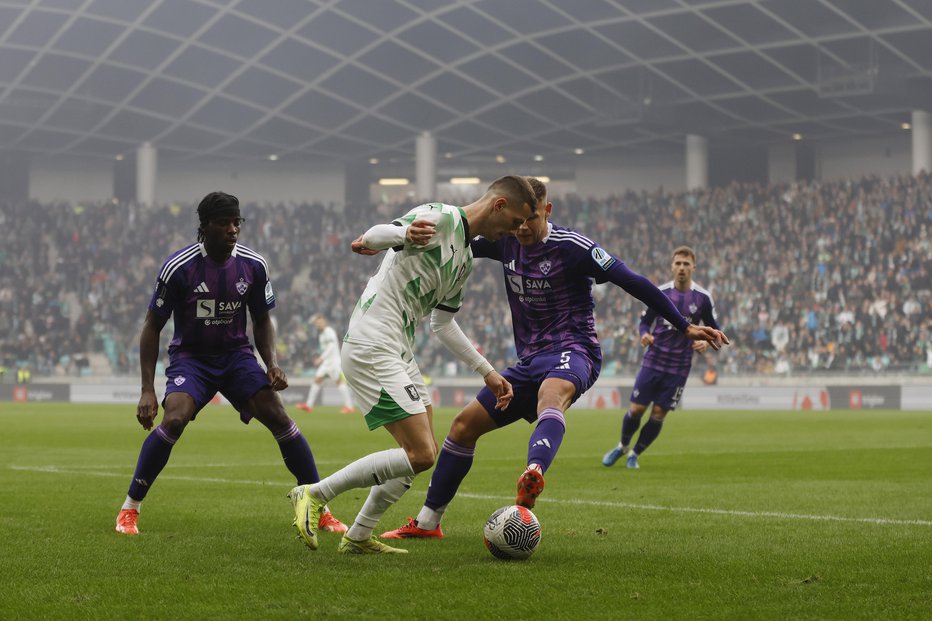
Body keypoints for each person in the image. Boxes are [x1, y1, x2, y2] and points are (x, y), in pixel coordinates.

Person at [380, 178, 728, 540]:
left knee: (551, 395)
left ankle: (533, 473)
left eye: (531, 219)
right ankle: (427, 523)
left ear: (547, 211)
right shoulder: (509, 240)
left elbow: (633, 280)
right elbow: (462, 232)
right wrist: (407, 232)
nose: (523, 228)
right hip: (529, 361)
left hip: (574, 350)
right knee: (463, 427)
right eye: (518, 221)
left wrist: (683, 326)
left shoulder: (573, 247)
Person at [286, 175, 538, 554]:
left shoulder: (465, 260)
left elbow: (443, 323)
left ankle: (357, 536)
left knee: (421, 453)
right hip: (373, 343)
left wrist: (487, 372)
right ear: (499, 206)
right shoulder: (439, 217)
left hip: (399, 349)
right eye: (517, 221)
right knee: (421, 453)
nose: (518, 231)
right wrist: (398, 237)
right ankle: (314, 493)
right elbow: (372, 237)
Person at [114, 192, 346, 536]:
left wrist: (272, 363)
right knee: (174, 419)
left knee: (280, 416)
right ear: (205, 226)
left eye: (237, 222)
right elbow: (151, 327)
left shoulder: (253, 265)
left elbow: (263, 320)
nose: (233, 229)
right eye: (224, 222)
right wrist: (147, 390)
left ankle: (319, 507)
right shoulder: (179, 267)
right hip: (191, 359)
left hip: (237, 357)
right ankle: (129, 509)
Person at [602, 246, 720, 469]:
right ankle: (622, 446)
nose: (682, 268)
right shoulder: (661, 293)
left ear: (693, 267)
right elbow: (645, 321)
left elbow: (715, 328)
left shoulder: (703, 298)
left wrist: (706, 341)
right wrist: (644, 334)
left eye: (686, 264)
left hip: (679, 367)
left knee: (658, 413)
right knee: (636, 409)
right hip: (654, 360)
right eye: (678, 263)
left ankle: (634, 454)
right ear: (672, 266)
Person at [296, 314, 355, 414]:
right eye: (317, 323)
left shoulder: (328, 331)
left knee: (339, 382)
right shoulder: (322, 334)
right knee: (317, 380)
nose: (319, 324)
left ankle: (349, 406)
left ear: (324, 322)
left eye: (320, 322)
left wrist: (321, 358)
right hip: (326, 362)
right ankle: (309, 405)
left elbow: (331, 346)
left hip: (333, 362)